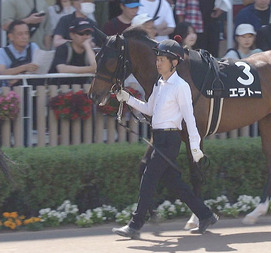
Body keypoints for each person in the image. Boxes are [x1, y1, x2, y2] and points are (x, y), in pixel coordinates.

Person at [112, 39, 218, 238]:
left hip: (170, 139)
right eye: (157, 59)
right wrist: (128, 99)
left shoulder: (181, 86)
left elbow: (189, 118)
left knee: (148, 178)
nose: (158, 63)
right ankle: (206, 215)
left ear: (174, 62)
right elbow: (149, 109)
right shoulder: (158, 84)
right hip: (159, 138)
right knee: (175, 183)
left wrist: (195, 146)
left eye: (162, 59)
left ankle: (135, 225)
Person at [48, 18, 96, 85]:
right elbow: (62, 69)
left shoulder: (90, 51)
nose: (85, 37)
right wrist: (90, 69)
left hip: (82, 90)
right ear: (72, 35)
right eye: (81, 33)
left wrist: (88, 47)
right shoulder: (63, 48)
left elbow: (97, 68)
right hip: (59, 90)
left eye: (88, 34)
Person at [0, 20, 40, 86]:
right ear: (11, 37)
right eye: (20, 34)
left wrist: (19, 76)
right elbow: (2, 72)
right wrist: (24, 68)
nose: (24, 37)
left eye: (26, 33)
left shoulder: (33, 47)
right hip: (10, 92)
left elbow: (39, 67)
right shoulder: (2, 52)